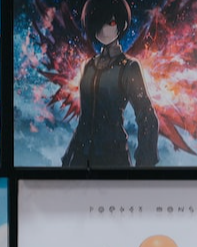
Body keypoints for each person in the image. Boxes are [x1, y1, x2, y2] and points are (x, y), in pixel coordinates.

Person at [62, 0, 159, 167]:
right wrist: (68, 159)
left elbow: (147, 117)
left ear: (122, 24)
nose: (104, 29)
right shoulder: (88, 66)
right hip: (80, 157)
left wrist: (144, 165)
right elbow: (84, 119)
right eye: (98, 22)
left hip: (113, 157)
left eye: (111, 22)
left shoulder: (129, 67)